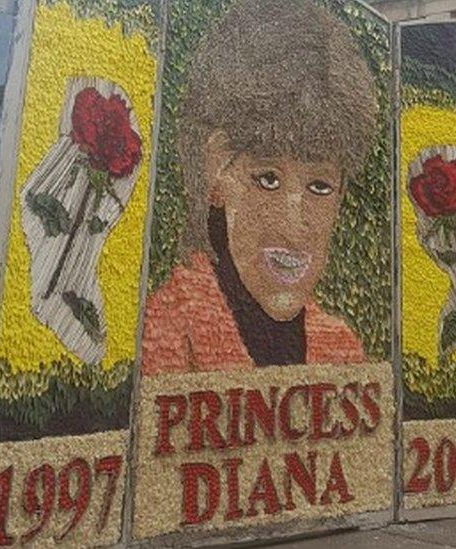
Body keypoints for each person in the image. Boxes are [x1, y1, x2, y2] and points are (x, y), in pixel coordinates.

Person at [142, 0, 378, 375]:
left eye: (319, 186)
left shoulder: (341, 349)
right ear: (215, 169)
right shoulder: (165, 332)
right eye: (267, 178)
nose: (293, 226)